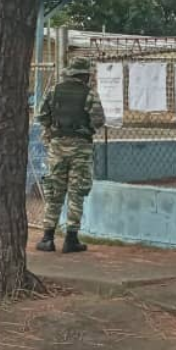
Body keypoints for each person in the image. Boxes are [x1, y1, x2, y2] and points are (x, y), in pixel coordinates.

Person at [35, 58, 104, 254]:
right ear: (85, 75)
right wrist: (85, 129)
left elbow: (41, 116)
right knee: (76, 192)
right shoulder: (89, 94)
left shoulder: (53, 91)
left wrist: (54, 129)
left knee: (54, 191)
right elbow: (98, 121)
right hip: (80, 148)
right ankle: (71, 239)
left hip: (56, 147)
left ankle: (47, 238)